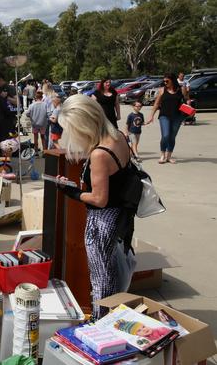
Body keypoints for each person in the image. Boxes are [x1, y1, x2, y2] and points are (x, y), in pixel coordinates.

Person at [54, 94, 134, 319]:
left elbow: (100, 199)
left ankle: (101, 323)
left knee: (101, 279)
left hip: (102, 223)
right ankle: (111, 319)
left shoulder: (99, 154)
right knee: (111, 275)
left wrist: (74, 193)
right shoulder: (117, 136)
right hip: (119, 219)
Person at [146, 73, 188, 164]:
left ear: (172, 80)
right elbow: (156, 104)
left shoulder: (181, 89)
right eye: (164, 81)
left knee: (172, 137)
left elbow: (186, 100)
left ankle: (169, 157)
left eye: (167, 81)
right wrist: (151, 116)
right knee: (165, 135)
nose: (165, 82)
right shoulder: (162, 90)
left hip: (177, 116)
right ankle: (162, 155)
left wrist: (190, 108)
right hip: (164, 116)